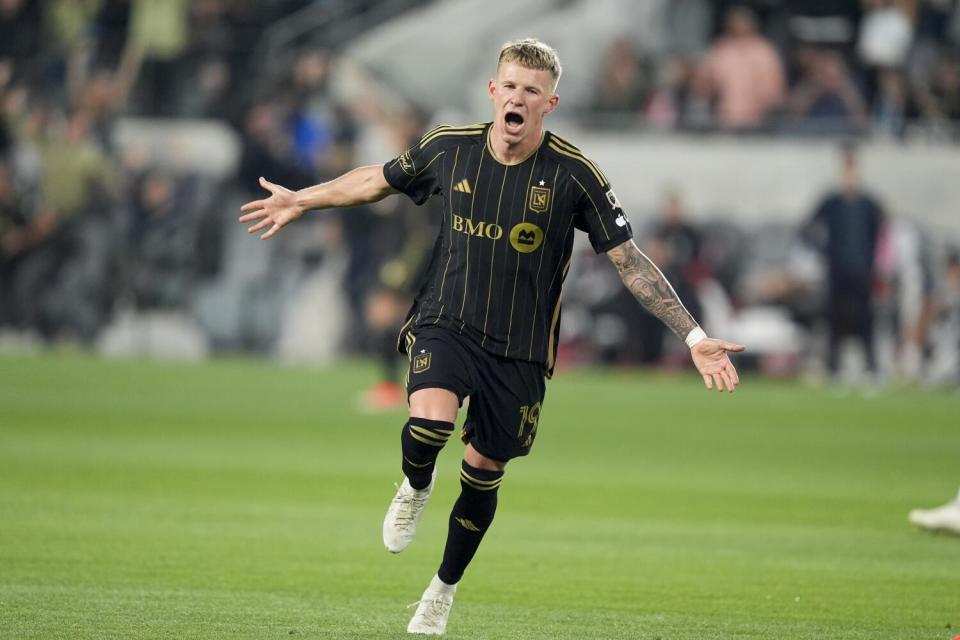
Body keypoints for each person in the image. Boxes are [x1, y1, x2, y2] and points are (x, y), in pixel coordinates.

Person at [238, 38, 744, 636]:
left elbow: (630, 262)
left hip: (521, 348)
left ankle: (441, 590)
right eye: (509, 86)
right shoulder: (448, 148)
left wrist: (693, 336)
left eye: (531, 91)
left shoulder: (573, 174)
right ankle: (416, 483)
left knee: (482, 472)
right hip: (446, 321)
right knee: (429, 426)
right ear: (492, 91)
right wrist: (304, 198)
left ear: (548, 103)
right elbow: (377, 179)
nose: (518, 99)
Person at [803, 145, 884, 382]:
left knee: (865, 320)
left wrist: (875, 264)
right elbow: (809, 229)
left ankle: (871, 367)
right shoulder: (831, 202)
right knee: (835, 320)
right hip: (836, 271)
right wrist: (823, 253)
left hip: (863, 271)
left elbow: (880, 235)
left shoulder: (869, 203)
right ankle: (834, 368)